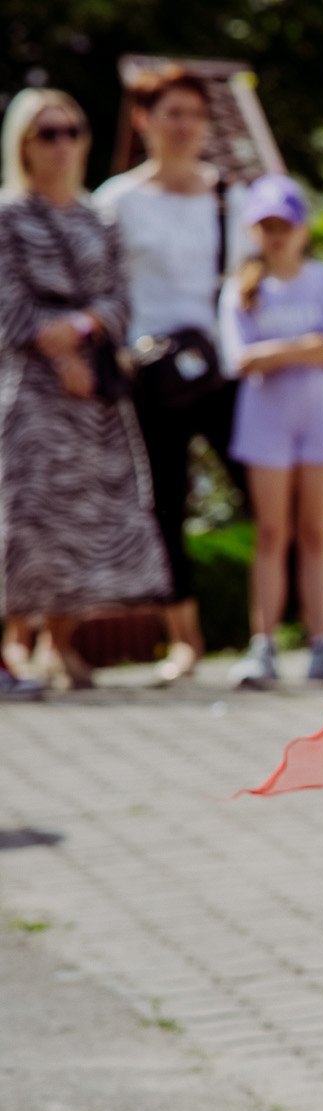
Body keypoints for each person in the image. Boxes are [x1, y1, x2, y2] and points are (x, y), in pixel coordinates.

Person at [0, 89, 170, 691]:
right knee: (27, 521)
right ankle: (13, 647)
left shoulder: (99, 216)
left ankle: (61, 644)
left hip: (93, 396)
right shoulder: (8, 217)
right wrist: (59, 351)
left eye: (72, 131)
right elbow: (8, 307)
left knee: (84, 522)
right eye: (48, 133)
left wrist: (80, 330)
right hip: (30, 397)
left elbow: (121, 300)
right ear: (24, 144)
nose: (62, 144)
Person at [94, 65, 247, 684]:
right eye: (172, 113)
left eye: (195, 115)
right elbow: (102, 286)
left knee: (264, 491)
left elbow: (246, 279)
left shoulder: (227, 197)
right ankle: (184, 639)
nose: (185, 126)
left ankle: (276, 628)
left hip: (221, 370)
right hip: (149, 374)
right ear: (144, 121)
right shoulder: (116, 201)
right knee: (163, 502)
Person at [218, 174, 323, 688]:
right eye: (267, 226)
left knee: (315, 533)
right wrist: (307, 347)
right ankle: (263, 643)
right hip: (267, 424)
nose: (276, 236)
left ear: (303, 229)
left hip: (322, 421)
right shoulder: (241, 289)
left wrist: (276, 353)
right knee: (271, 532)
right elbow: (240, 359)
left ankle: (322, 640)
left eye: (285, 225)